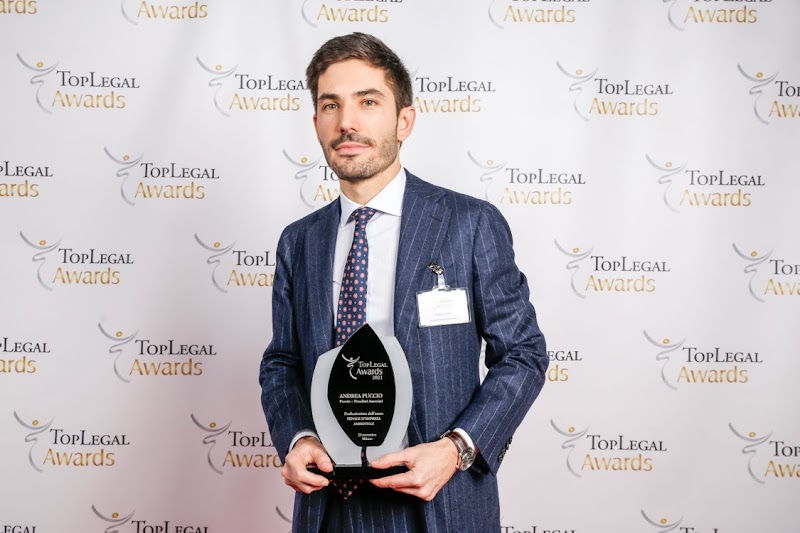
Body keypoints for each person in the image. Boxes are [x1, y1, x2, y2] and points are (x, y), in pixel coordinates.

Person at [260, 32, 548, 532]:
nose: (347, 122)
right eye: (331, 105)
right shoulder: (299, 241)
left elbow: (523, 353)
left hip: (438, 507)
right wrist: (298, 437)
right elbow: (282, 362)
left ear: (404, 120)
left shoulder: (469, 225)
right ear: (316, 123)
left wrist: (456, 449)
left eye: (368, 102)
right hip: (329, 509)